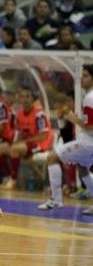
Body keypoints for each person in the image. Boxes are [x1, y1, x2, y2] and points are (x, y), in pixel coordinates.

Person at [38, 65, 93, 215]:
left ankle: (56, 200)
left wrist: (74, 119)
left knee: (52, 158)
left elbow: (90, 127)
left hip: (87, 143)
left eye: (86, 75)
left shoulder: (89, 98)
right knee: (82, 170)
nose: (82, 78)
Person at [0, 86, 54, 190]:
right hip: (26, 145)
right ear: (19, 99)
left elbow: (43, 136)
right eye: (22, 97)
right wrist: (15, 143)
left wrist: (21, 143)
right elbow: (19, 133)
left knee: (15, 149)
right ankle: (8, 176)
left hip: (41, 145)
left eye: (28, 96)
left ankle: (13, 181)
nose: (25, 99)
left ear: (32, 99)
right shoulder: (19, 114)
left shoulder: (39, 114)